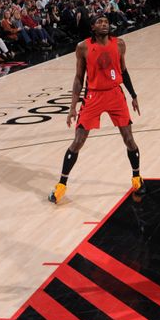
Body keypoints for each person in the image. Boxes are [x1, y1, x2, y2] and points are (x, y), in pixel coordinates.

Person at [49, 15, 144, 204]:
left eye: (106, 21)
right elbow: (78, 78)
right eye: (100, 22)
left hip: (115, 94)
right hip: (93, 96)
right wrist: (72, 107)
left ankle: (137, 178)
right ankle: (61, 186)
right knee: (78, 141)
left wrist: (133, 95)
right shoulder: (82, 47)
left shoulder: (120, 44)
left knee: (129, 139)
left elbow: (123, 71)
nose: (104, 24)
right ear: (93, 27)